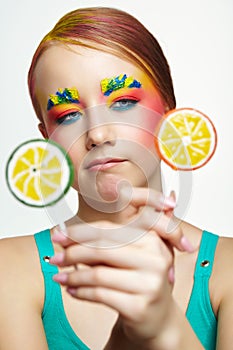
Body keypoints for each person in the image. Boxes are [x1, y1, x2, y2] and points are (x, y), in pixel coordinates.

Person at [0, 6, 233, 350]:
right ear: (47, 138)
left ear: (169, 112)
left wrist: (166, 327)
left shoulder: (227, 270)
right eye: (67, 115)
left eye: (123, 101)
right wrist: (130, 336)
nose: (97, 133)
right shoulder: (9, 270)